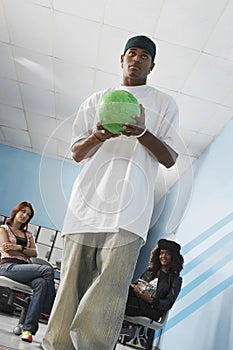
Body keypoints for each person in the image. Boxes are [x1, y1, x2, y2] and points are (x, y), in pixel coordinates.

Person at [43, 35, 180, 350]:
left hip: (130, 213)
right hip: (85, 207)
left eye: (144, 56)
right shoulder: (96, 100)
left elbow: (170, 158)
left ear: (152, 65)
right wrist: (98, 136)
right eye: (131, 53)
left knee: (108, 291)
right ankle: (56, 346)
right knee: (70, 286)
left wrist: (143, 133)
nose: (136, 59)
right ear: (122, 59)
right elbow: (77, 152)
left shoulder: (164, 104)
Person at [0, 201, 56, 343]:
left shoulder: (29, 234)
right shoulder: (3, 229)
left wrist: (17, 248)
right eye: (23, 212)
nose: (25, 215)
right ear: (16, 212)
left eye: (28, 214)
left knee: (42, 283)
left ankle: (28, 330)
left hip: (25, 269)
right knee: (47, 270)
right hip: (8, 267)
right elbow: (6, 249)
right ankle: (50, 311)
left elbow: (34, 253)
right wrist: (24, 250)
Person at [125, 238, 183, 321]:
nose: (163, 256)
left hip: (151, 309)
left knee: (122, 302)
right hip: (136, 300)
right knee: (120, 290)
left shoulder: (176, 280)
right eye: (161, 253)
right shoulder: (150, 271)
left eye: (167, 254)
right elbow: (136, 283)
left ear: (173, 257)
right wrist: (135, 287)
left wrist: (150, 299)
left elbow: (168, 303)